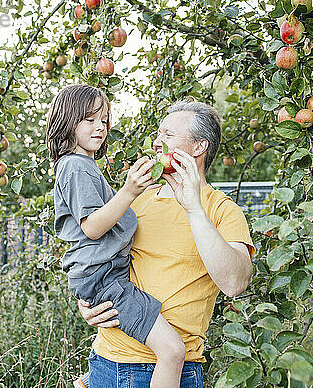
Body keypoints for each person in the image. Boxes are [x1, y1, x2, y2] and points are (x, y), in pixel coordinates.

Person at [78, 100, 256, 388]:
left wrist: (194, 209)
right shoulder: (139, 198)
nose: (156, 141)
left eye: (168, 135)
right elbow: (100, 256)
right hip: (106, 361)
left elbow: (235, 283)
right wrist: (86, 303)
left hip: (170, 372)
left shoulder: (221, 210)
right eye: (158, 133)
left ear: (199, 147)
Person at [46, 85, 188, 388]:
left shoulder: (83, 165)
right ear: (66, 120)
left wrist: (143, 186)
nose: (100, 127)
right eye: (89, 119)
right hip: (104, 277)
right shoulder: (75, 167)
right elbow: (92, 227)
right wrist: (128, 190)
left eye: (104, 120)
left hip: (105, 274)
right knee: (173, 350)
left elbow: (112, 213)